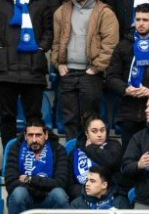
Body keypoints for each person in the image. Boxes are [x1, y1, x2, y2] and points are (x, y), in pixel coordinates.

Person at [0, 0, 54, 147]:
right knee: (7, 117)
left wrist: (41, 48)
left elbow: (49, 31)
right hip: (4, 70)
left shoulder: (42, 4)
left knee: (34, 119)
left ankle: (34, 161)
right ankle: (10, 162)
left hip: (33, 70)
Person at [106, 4, 149, 151]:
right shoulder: (123, 45)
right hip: (128, 112)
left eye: (145, 20)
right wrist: (125, 89)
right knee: (130, 157)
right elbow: (111, 77)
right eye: (138, 19)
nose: (140, 23)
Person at [51, 0, 118, 138]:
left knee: (90, 121)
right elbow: (56, 42)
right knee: (69, 121)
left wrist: (96, 68)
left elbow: (110, 45)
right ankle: (73, 156)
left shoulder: (105, 13)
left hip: (91, 74)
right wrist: (59, 63)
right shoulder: (61, 11)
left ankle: (88, 157)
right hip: (67, 73)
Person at [4, 118, 70, 214]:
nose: (34, 139)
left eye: (38, 135)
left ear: (46, 135)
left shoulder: (58, 149)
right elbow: (11, 182)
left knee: (60, 195)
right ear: (25, 136)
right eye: (30, 135)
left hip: (49, 197)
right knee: (18, 194)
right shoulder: (15, 148)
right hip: (26, 197)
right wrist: (41, 188)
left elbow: (61, 182)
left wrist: (29, 180)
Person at [67, 115, 124, 200]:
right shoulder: (75, 153)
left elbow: (112, 162)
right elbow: (69, 183)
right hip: (81, 197)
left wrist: (90, 148)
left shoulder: (114, 145)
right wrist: (85, 192)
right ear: (86, 133)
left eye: (102, 130)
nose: (99, 135)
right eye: (94, 131)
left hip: (109, 195)